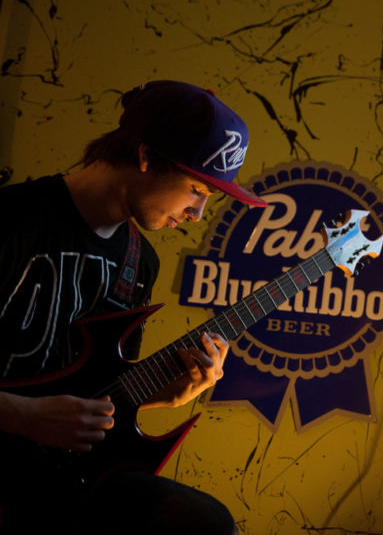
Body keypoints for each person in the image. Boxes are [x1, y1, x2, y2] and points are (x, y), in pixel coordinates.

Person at [0, 80, 266, 534]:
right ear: (145, 157)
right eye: (196, 189)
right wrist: (23, 416)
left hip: (63, 478)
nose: (198, 214)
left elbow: (103, 393)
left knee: (207, 524)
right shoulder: (12, 221)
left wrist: (171, 393)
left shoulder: (140, 261)